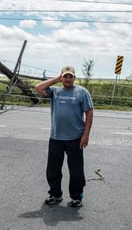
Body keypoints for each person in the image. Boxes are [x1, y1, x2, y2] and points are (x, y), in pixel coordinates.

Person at [35, 65, 93, 208]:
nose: (68, 79)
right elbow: (38, 88)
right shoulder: (55, 91)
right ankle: (55, 194)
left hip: (75, 139)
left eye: (70, 76)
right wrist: (55, 80)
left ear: (74, 78)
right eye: (65, 76)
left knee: (76, 171)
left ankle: (76, 197)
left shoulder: (82, 92)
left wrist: (86, 135)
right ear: (61, 77)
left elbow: (89, 113)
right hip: (56, 138)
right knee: (53, 170)